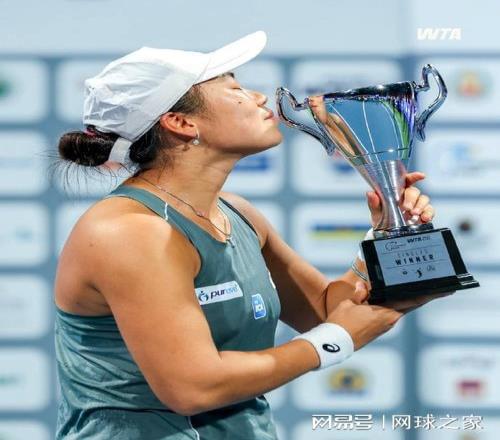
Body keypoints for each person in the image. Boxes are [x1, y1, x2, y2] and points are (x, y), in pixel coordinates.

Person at [54, 31, 445, 439]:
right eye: (235, 89)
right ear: (181, 123)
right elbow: (193, 387)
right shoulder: (130, 232)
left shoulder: (238, 213)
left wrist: (388, 234)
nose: (259, 97)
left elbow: (325, 310)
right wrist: (333, 342)